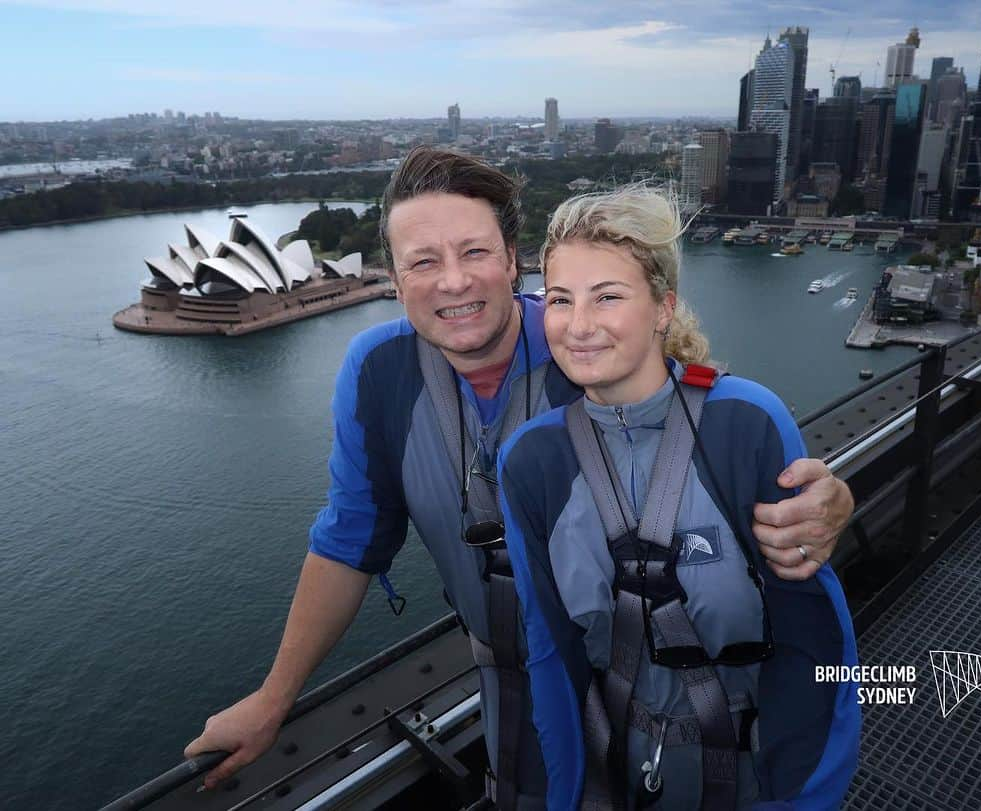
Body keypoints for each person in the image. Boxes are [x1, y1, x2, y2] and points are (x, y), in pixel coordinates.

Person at [184, 148, 854, 807]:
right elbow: (348, 538)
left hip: (619, 683)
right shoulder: (377, 373)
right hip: (508, 676)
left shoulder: (581, 348)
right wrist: (274, 700)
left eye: (474, 252)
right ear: (393, 276)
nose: (453, 282)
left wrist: (829, 495)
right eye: (423, 261)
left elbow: (695, 413)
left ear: (512, 260)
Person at [498, 187, 860, 809]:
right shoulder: (533, 461)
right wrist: (569, 797)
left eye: (608, 296)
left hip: (752, 775)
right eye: (560, 299)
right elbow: (550, 652)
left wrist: (803, 797)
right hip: (619, 775)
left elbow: (817, 636)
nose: (578, 324)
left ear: (662, 308)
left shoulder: (743, 423)